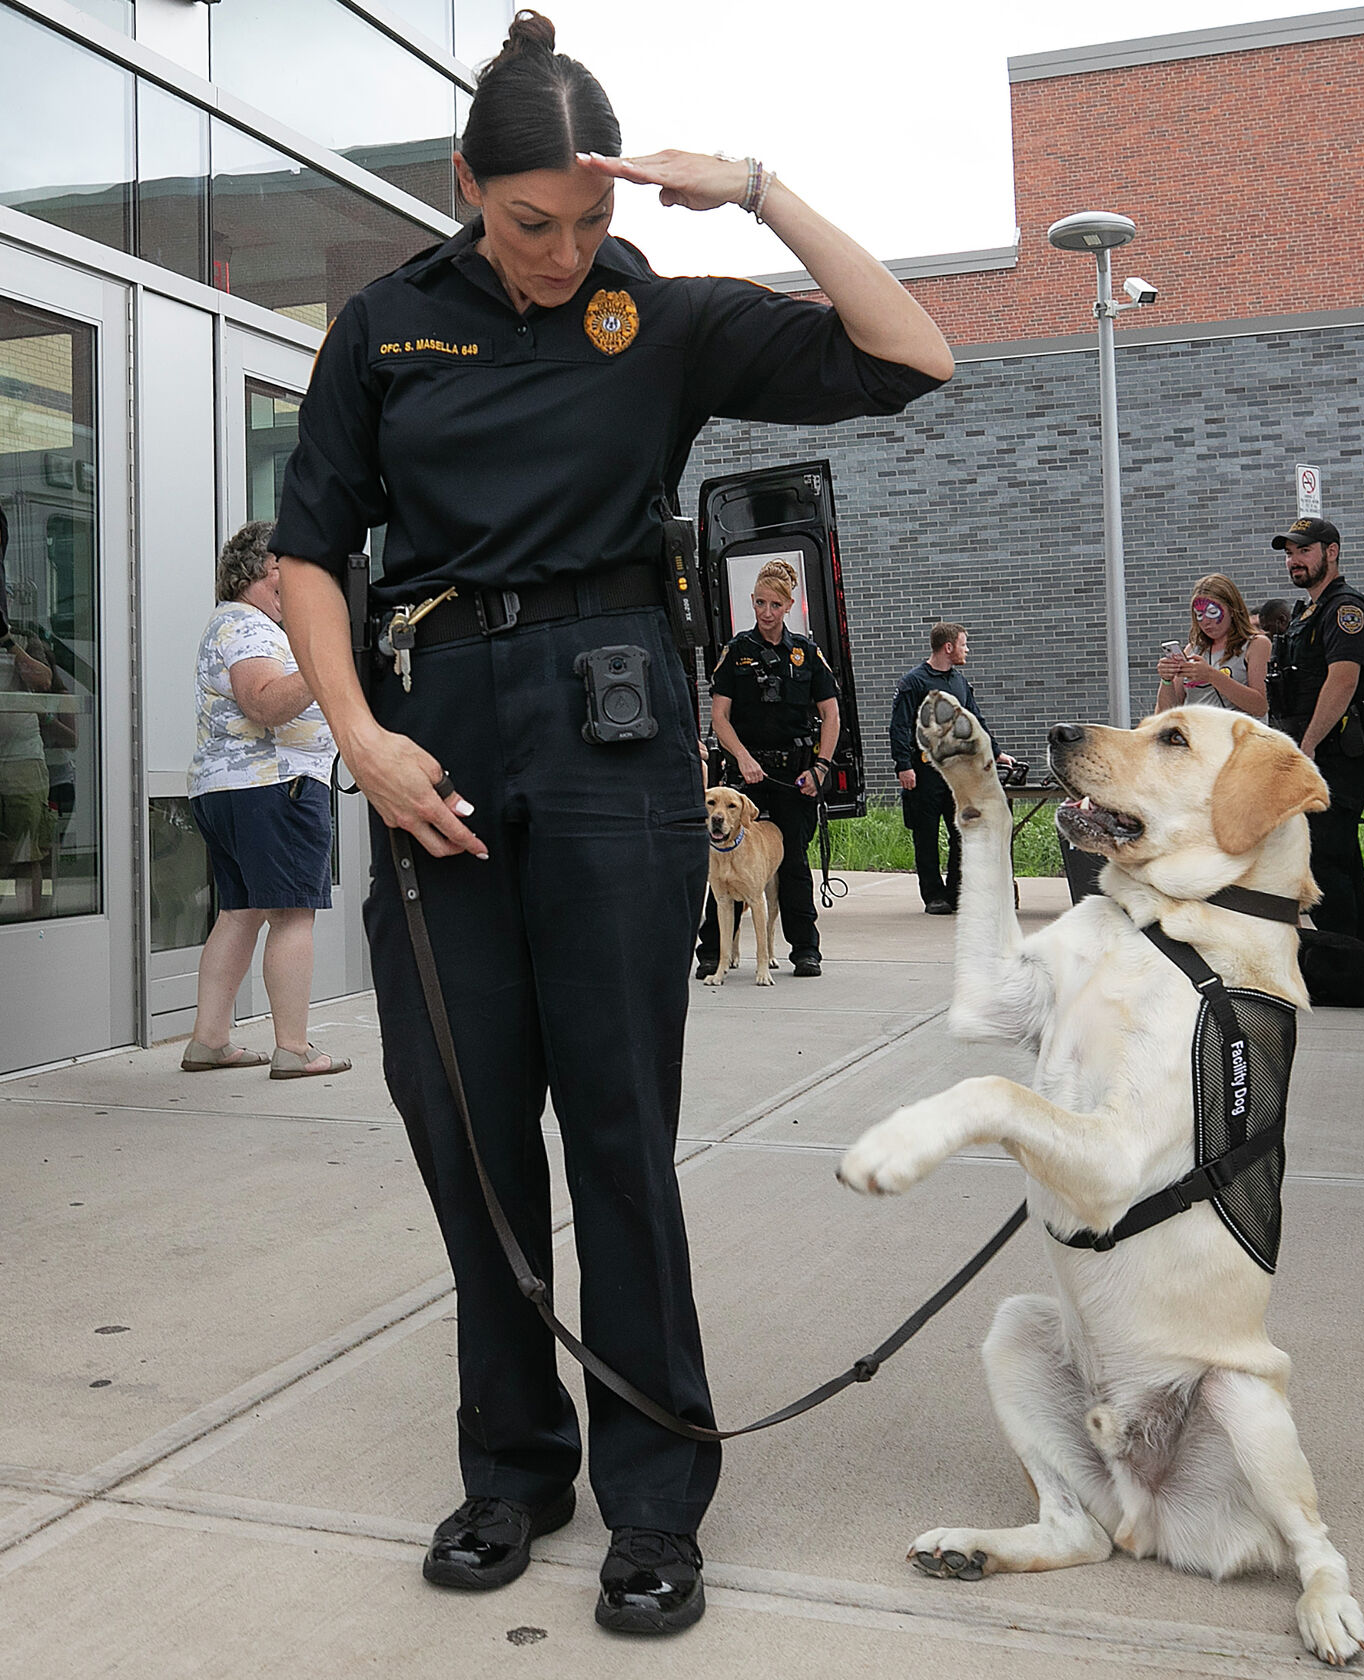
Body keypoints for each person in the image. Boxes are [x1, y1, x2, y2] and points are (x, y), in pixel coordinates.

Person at [269, 11, 953, 1638]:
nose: (564, 254)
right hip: (433, 727)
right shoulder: (384, 328)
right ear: (465, 187)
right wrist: (359, 735)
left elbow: (913, 353)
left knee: (619, 1134)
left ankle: (656, 1497)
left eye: (586, 220)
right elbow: (308, 549)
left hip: (614, 720)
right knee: (466, 1123)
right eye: (528, 224)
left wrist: (763, 192)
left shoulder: (660, 315)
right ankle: (513, 1466)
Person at [182, 523, 351, 1077]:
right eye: (285, 568)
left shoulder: (231, 624)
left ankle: (209, 1040)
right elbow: (263, 701)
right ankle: (295, 1049)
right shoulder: (250, 626)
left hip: (231, 790)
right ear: (257, 571)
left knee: (240, 912)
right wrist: (326, 665)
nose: (295, 582)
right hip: (274, 787)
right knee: (292, 914)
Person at [700, 559, 839, 974]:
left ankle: (805, 950)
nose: (765, 612)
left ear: (789, 606)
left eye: (774, 604)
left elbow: (831, 715)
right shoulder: (737, 652)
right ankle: (713, 954)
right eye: (759, 602)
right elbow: (719, 717)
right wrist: (742, 758)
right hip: (747, 774)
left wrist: (821, 768)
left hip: (793, 775)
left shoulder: (807, 654)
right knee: (725, 861)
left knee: (793, 861)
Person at [1266, 517, 1364, 953]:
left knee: (1325, 862)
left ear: (1331, 552)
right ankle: (1358, 964)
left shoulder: (1344, 609)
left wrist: (1309, 744)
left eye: (1304, 551)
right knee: (1338, 862)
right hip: (1315, 752)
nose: (1294, 561)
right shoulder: (1308, 612)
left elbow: (1343, 681)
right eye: (1289, 554)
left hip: (1335, 752)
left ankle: (1346, 967)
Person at [890, 622, 1009, 915]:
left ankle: (957, 893)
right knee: (926, 835)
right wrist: (904, 766)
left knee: (961, 833)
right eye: (963, 644)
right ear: (948, 647)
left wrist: (996, 752)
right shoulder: (914, 683)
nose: (967, 650)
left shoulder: (959, 683)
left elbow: (975, 721)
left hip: (958, 775)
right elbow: (900, 727)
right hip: (925, 772)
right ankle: (934, 896)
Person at [1154, 573, 1269, 717]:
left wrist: (1211, 675)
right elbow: (1165, 715)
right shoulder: (1193, 650)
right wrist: (1166, 680)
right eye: (1199, 615)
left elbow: (1260, 707)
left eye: (1213, 612)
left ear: (1232, 610)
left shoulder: (1256, 644)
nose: (1206, 621)